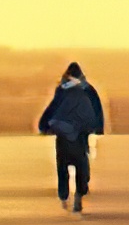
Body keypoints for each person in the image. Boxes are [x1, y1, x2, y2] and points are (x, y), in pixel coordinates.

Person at [37, 61, 101, 213]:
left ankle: (64, 196)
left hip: (63, 135)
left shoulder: (62, 89)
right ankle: (79, 194)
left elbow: (53, 107)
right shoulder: (87, 89)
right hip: (80, 134)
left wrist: (44, 125)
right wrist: (98, 127)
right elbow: (96, 108)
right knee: (81, 164)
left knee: (62, 166)